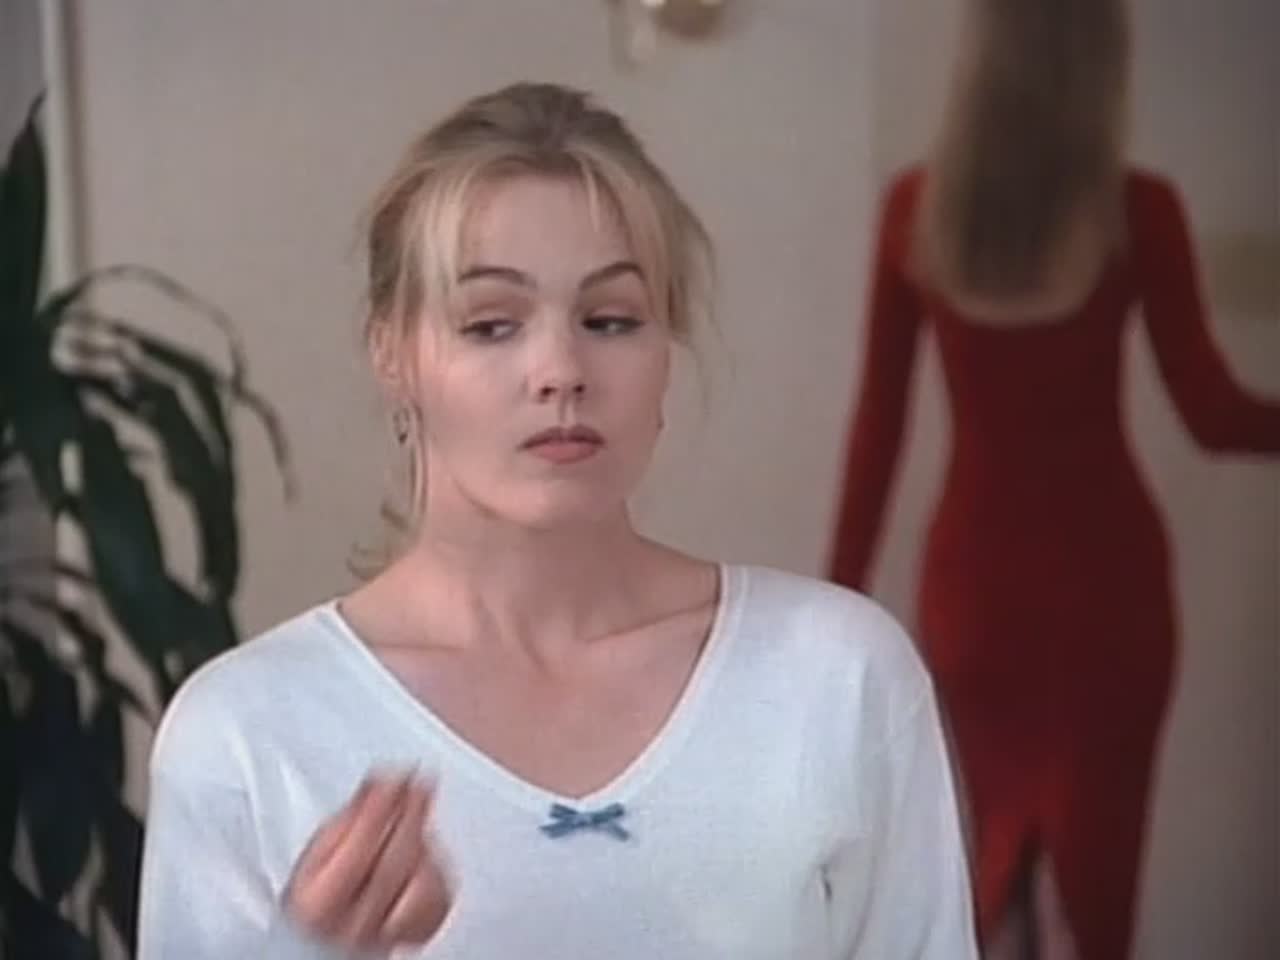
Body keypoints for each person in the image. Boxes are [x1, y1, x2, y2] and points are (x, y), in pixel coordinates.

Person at [136, 82, 977, 959]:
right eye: (492, 326)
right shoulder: (248, 733)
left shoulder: (837, 674)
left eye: (610, 321)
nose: (561, 370)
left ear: (666, 352)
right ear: (393, 353)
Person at [826, 2, 1280, 959]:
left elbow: (878, 432)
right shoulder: (1137, 211)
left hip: (978, 596)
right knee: (1096, 899)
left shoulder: (918, 211)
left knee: (989, 883)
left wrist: (831, 616)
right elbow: (1213, 414)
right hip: (1109, 598)